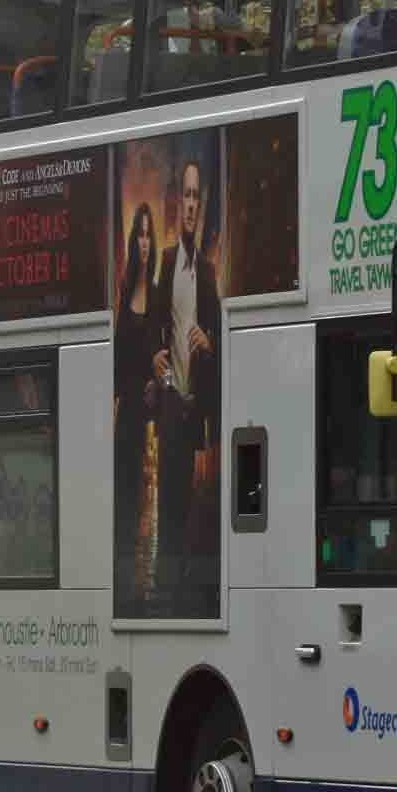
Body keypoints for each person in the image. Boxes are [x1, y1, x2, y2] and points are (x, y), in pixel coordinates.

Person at [150, 156, 221, 616]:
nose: (192, 205)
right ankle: (164, 590)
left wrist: (211, 341)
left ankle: (193, 590)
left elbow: (217, 332)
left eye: (198, 196)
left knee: (198, 502)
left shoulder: (209, 273)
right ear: (178, 202)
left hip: (197, 405)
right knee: (169, 502)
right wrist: (152, 362)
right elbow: (153, 329)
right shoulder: (166, 262)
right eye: (187, 195)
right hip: (171, 399)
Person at [113, 204, 165, 607]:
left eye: (149, 235)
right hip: (128, 413)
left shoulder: (160, 294)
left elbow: (164, 358)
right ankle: (125, 586)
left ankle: (146, 588)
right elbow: (116, 362)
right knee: (125, 499)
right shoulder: (124, 290)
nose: (145, 243)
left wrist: (156, 384)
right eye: (140, 235)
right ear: (134, 240)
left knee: (149, 500)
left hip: (151, 414)